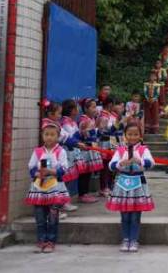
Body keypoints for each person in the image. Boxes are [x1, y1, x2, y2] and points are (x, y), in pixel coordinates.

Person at [106, 121, 155, 252]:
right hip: (123, 183)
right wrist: (120, 163)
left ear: (140, 135)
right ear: (125, 135)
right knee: (125, 214)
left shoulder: (144, 149)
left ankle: (134, 239)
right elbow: (111, 165)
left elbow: (151, 163)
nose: (132, 137)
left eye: (135, 134)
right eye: (130, 134)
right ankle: (125, 239)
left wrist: (140, 161)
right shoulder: (120, 149)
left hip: (138, 183)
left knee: (135, 215)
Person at [25, 120, 71, 253]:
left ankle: (51, 241)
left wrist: (51, 172)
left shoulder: (61, 151)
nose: (49, 137)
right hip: (39, 187)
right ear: (42, 136)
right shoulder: (38, 151)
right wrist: (37, 173)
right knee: (40, 216)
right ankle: (41, 239)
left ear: (57, 137)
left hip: (55, 187)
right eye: (46, 134)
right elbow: (31, 167)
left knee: (53, 216)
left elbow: (64, 168)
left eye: (52, 134)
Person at [74, 99, 103, 203]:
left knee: (88, 172)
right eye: (93, 107)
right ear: (85, 108)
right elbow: (83, 135)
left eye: (96, 107)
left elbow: (96, 135)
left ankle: (85, 193)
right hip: (85, 149)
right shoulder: (84, 119)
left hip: (92, 148)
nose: (95, 109)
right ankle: (82, 194)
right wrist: (92, 129)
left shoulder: (92, 119)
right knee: (84, 173)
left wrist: (99, 128)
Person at [60, 99, 83, 213]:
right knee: (66, 178)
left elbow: (77, 136)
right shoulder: (65, 122)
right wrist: (77, 142)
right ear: (71, 110)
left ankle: (65, 201)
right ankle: (63, 202)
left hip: (73, 152)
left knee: (70, 178)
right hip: (67, 152)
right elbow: (68, 138)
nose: (77, 110)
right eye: (75, 108)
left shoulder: (73, 121)